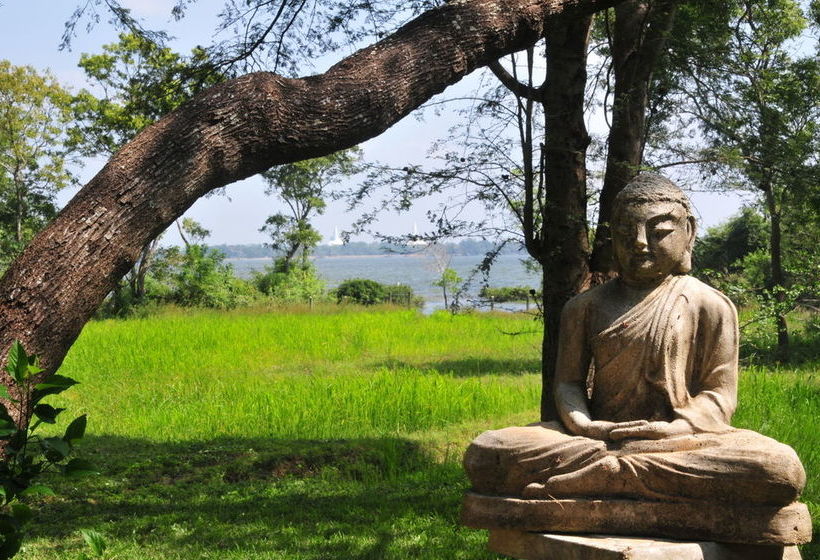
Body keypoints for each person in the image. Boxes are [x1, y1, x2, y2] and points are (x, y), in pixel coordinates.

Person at [464, 174, 805, 506]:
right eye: (626, 233)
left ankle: (603, 477)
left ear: (688, 233)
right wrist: (585, 425)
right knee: (489, 451)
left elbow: (719, 396)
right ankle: (623, 475)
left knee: (776, 468)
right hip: (595, 440)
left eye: (658, 232)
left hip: (680, 442)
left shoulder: (710, 306)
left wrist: (673, 431)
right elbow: (568, 383)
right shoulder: (584, 307)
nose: (640, 242)